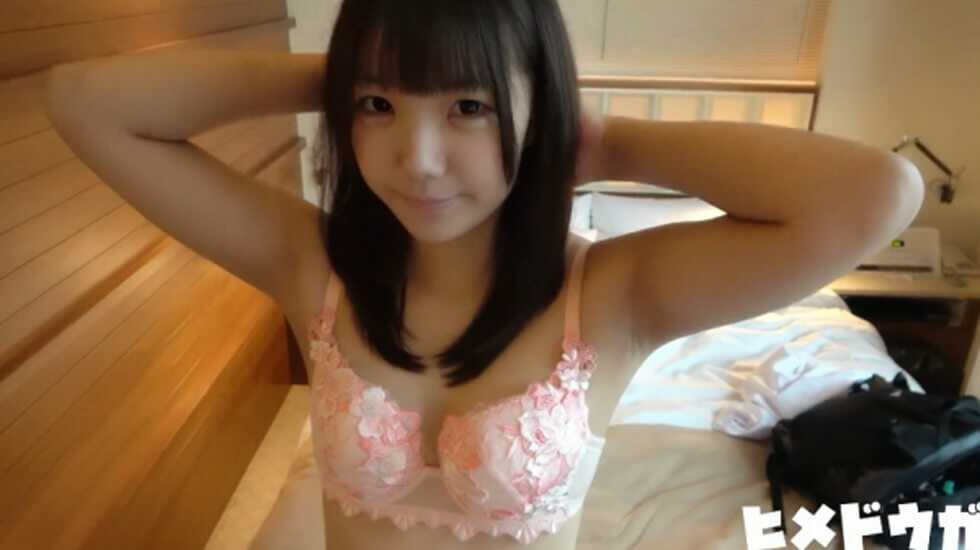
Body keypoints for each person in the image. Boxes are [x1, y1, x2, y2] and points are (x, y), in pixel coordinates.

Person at [42, 0, 924, 547]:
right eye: (379, 106)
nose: (418, 159)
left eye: (469, 105)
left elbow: (880, 194)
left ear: (540, 109)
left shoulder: (612, 296)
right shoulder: (313, 267)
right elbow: (84, 100)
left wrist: (610, 142)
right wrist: (350, 68)